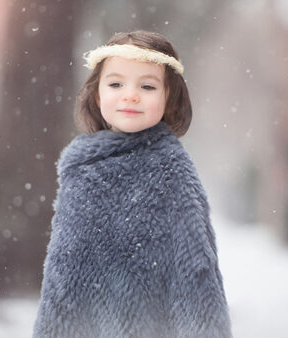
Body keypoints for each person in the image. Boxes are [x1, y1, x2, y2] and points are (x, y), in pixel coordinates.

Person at [33, 30, 232, 338]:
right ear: (98, 95)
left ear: (169, 98)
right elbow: (62, 276)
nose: (130, 95)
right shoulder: (81, 169)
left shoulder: (171, 170)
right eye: (116, 84)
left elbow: (196, 273)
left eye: (148, 86)